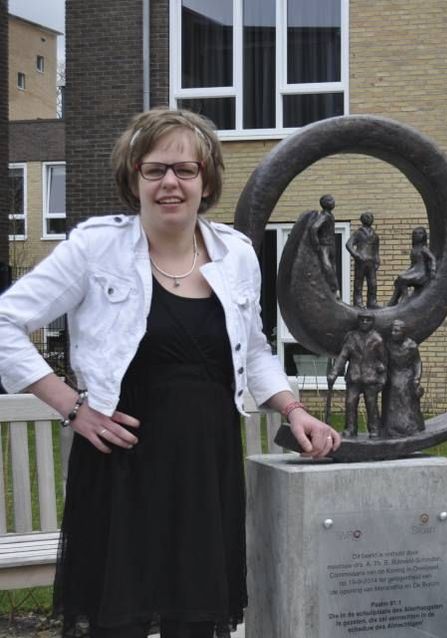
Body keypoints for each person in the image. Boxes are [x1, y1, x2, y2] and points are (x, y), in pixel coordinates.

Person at [0, 108, 340, 637]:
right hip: (121, 469)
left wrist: (293, 409)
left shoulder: (237, 255)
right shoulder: (96, 249)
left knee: (196, 622)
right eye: (154, 170)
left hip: (205, 467)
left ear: (206, 180)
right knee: (120, 621)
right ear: (133, 177)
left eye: (185, 170)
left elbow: (252, 350)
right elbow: (5, 322)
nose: (170, 183)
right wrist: (72, 407)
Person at [328, 313, 387, 438]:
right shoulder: (351, 337)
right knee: (350, 402)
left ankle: (374, 430)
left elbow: (384, 360)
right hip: (354, 377)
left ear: (372, 322)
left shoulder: (377, 339)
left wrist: (382, 377)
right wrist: (334, 372)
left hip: (370, 378)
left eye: (368, 320)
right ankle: (350, 428)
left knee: (371, 405)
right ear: (358, 321)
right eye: (362, 320)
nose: (364, 322)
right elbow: (343, 356)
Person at [381, 319, 425, 437]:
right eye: (392, 331)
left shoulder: (411, 345)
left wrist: (416, 378)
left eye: (396, 331)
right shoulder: (388, 345)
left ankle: (410, 427)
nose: (393, 333)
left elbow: (417, 362)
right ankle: (391, 428)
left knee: (405, 396)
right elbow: (384, 361)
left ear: (403, 332)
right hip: (392, 374)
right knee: (391, 398)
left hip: (407, 374)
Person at [388, 226, 436, 306]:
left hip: (421, 274)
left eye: (420, 233)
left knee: (403, 279)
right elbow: (413, 265)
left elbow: (432, 258)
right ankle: (394, 300)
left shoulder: (424, 249)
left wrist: (433, 270)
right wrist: (407, 272)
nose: (418, 235)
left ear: (424, 236)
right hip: (414, 271)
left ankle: (405, 299)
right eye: (416, 233)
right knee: (399, 279)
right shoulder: (414, 250)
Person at [345, 211, 379, 308]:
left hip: (371, 262)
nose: (369, 219)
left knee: (372, 283)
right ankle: (358, 302)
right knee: (358, 283)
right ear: (362, 219)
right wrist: (356, 255)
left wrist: (377, 260)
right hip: (361, 261)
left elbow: (376, 250)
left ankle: (372, 302)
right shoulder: (358, 233)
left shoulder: (375, 235)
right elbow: (348, 244)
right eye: (367, 217)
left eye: (370, 217)